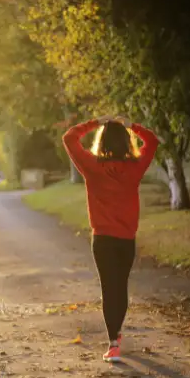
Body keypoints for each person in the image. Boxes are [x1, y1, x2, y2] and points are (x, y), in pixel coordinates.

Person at [62, 114, 160, 362]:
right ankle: (116, 334)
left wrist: (96, 122)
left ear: (102, 141)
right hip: (126, 238)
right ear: (126, 142)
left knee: (109, 288)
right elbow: (152, 140)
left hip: (103, 239)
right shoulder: (135, 167)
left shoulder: (92, 166)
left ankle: (113, 342)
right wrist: (132, 124)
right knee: (121, 286)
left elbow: (69, 137)